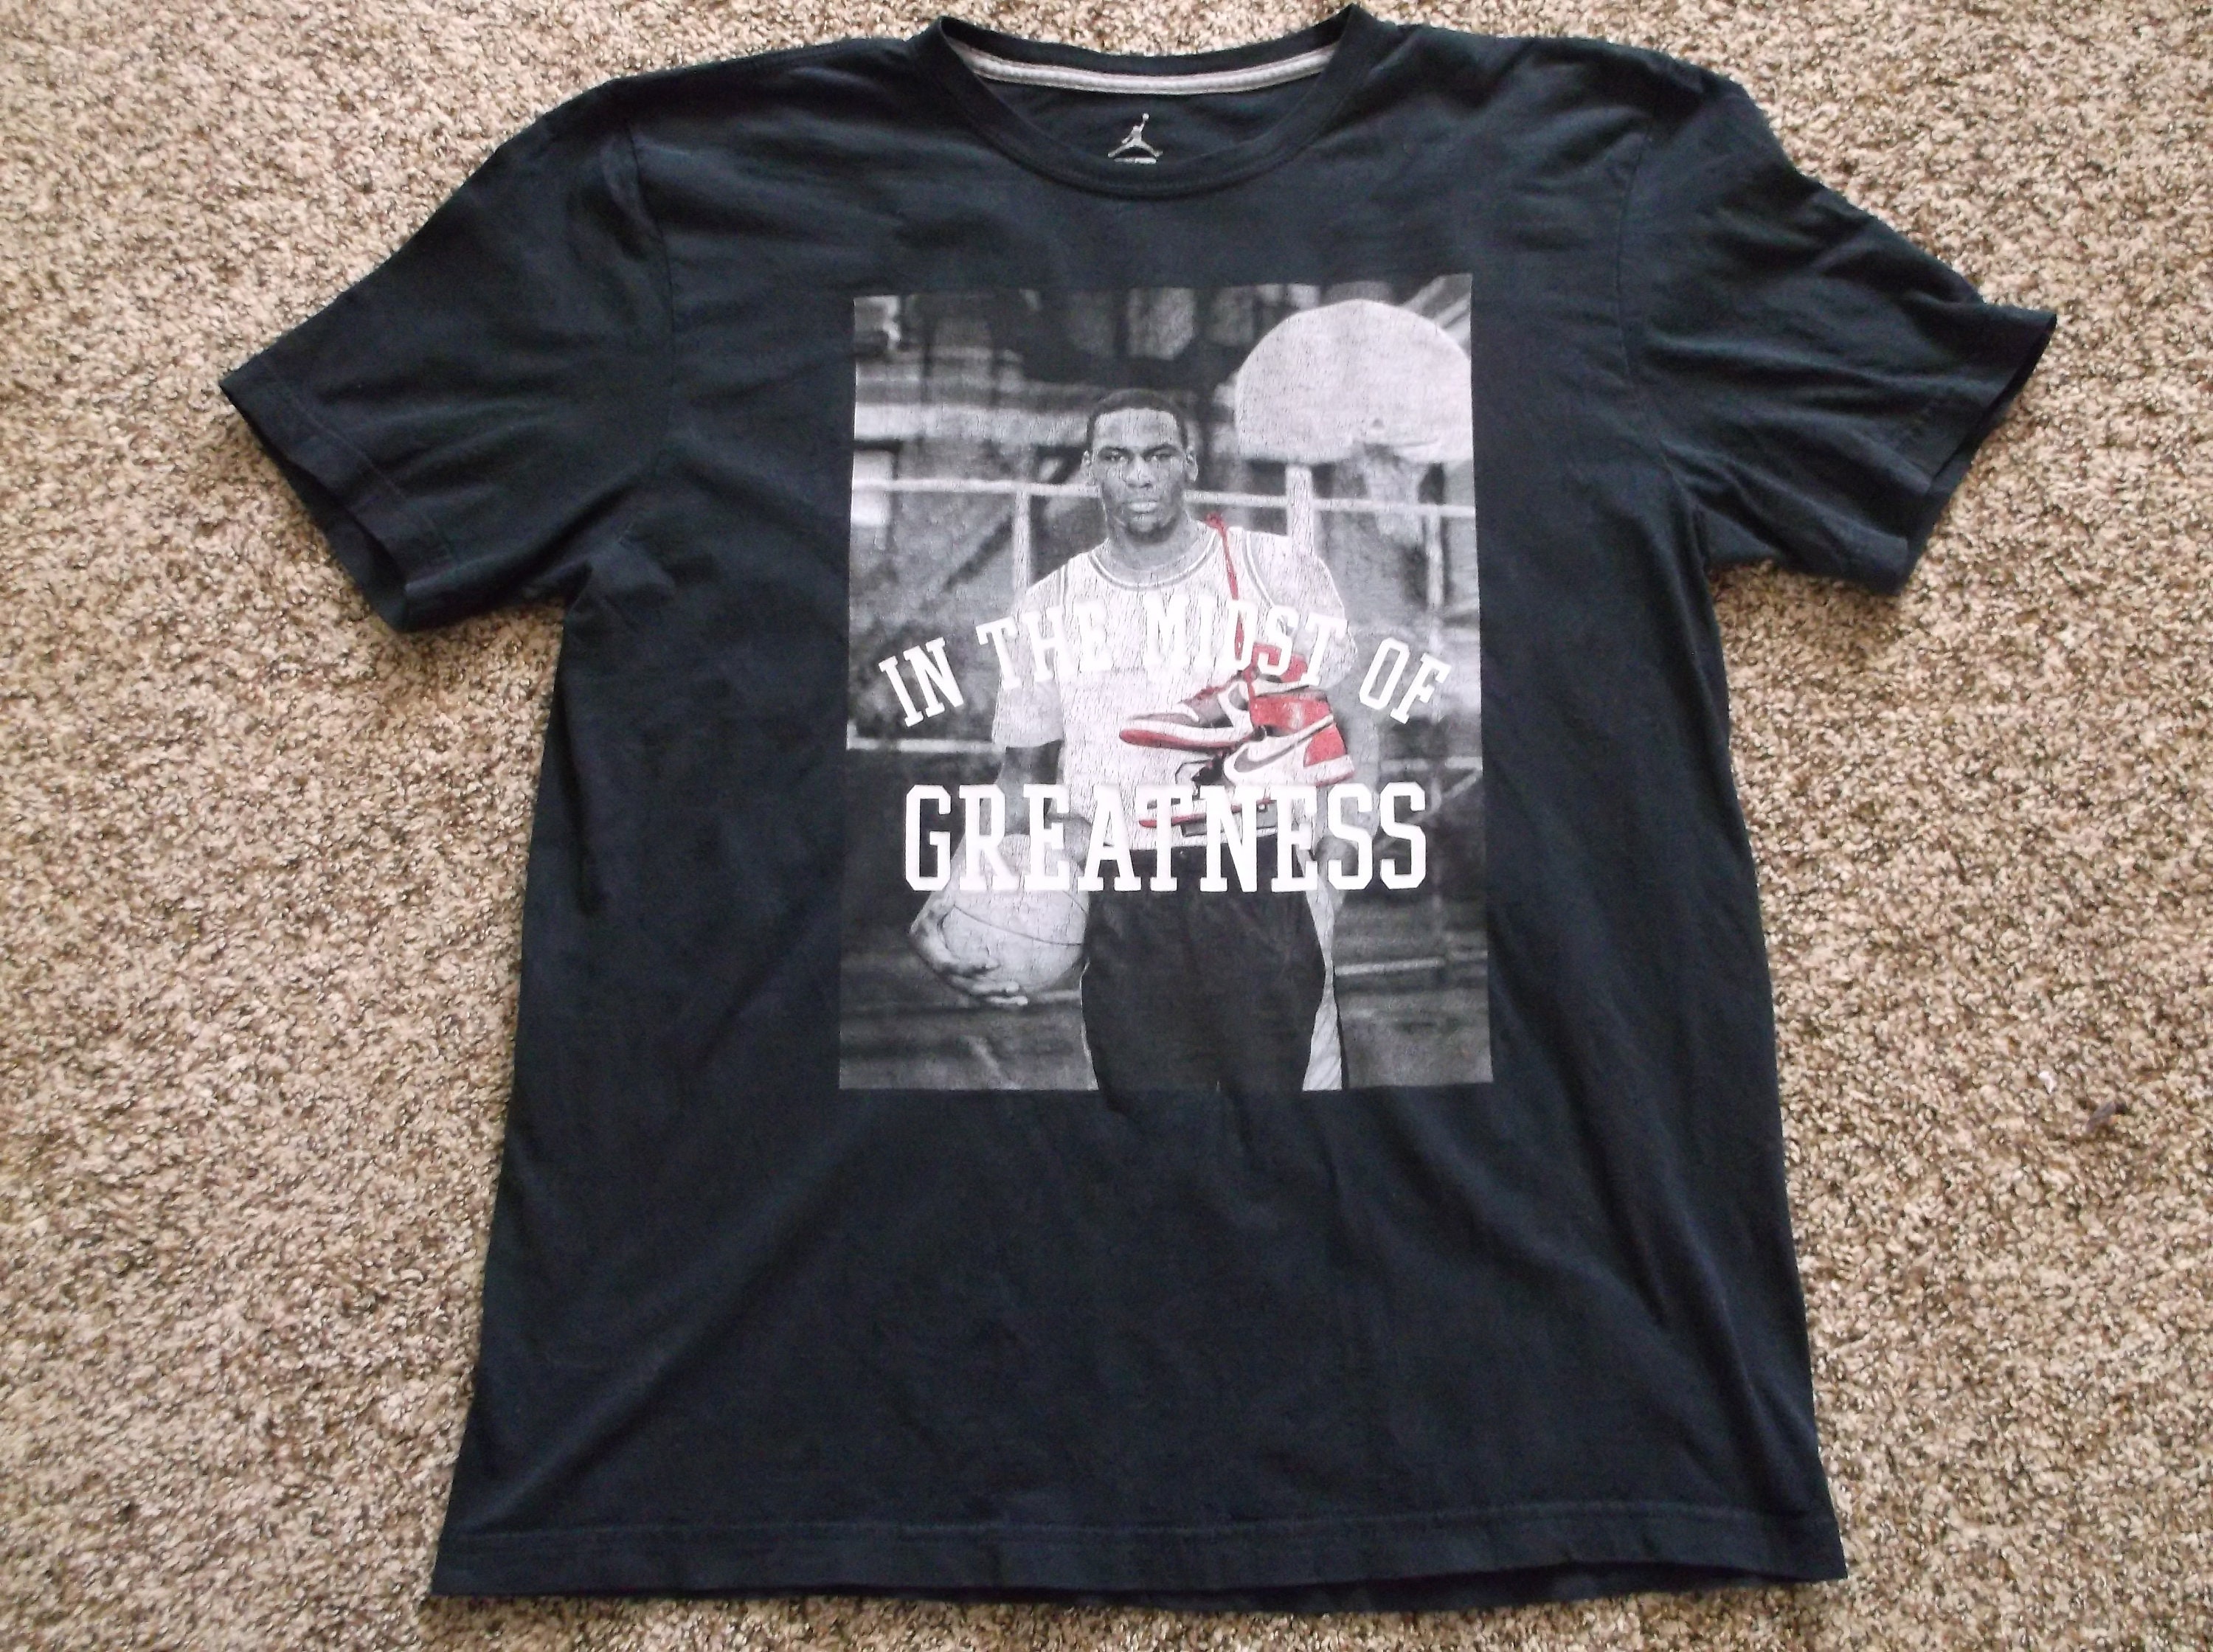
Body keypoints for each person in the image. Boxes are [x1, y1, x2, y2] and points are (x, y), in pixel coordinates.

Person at [909, 389, 1356, 1093]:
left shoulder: (1274, 570)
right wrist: (952, 889)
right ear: (1091, 469)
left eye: (1158, 455)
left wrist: (1336, 866)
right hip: (1124, 898)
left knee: (1291, 1126)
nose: (1139, 475)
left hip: (1262, 880)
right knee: (1144, 1129)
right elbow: (1021, 776)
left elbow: (1350, 721)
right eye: (1117, 458)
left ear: (1190, 465)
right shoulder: (1049, 606)